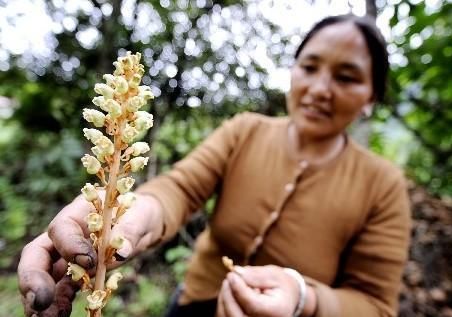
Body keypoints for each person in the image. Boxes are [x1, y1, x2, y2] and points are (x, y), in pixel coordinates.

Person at [17, 14, 411, 317]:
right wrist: (121, 218)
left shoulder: (383, 184)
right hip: (193, 306)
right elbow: (179, 190)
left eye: (346, 77)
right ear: (292, 71)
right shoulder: (246, 131)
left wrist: (303, 296)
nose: (321, 89)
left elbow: (375, 304)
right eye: (309, 68)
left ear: (371, 97)